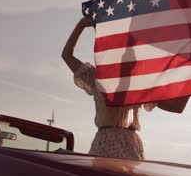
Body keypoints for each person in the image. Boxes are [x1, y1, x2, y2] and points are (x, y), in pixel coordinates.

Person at [62, 18, 158, 160]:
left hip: (127, 144)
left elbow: (172, 102)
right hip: (108, 144)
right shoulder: (98, 77)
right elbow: (67, 55)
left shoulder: (141, 82)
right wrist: (81, 25)